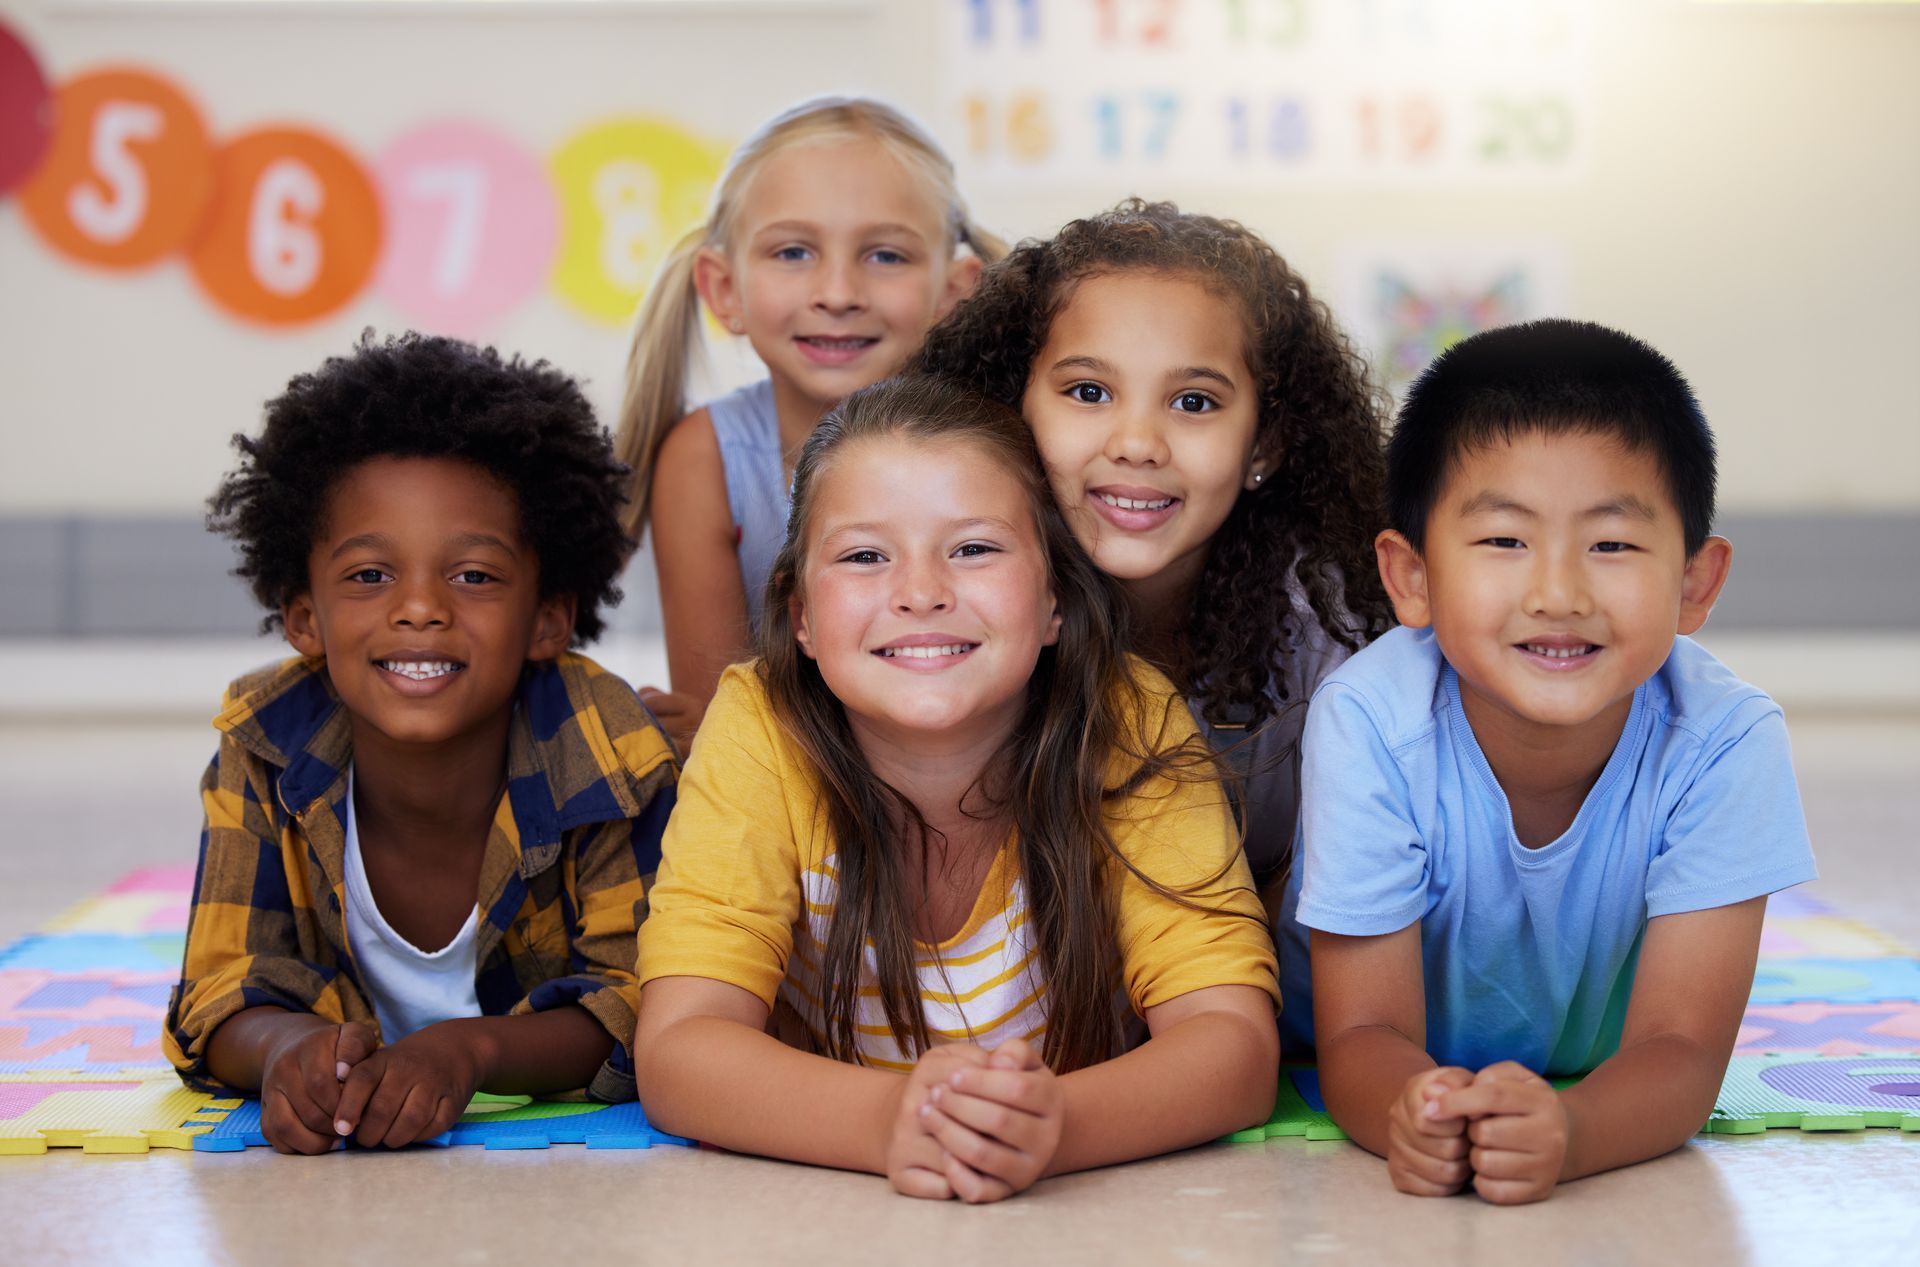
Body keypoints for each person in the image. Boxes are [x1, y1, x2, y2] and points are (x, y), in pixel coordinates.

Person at [632, 375, 1280, 1202]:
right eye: (866, 555)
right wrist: (890, 1120)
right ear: (801, 618)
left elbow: (1232, 1041)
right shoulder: (761, 725)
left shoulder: (1130, 719)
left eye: (973, 548)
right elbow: (683, 1046)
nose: (921, 591)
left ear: (1053, 599)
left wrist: (1058, 1127)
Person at [1297, 319, 1816, 1203]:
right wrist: (1408, 1111)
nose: (1558, 594)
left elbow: (1683, 1050)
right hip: (1367, 1050)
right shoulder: (1369, 722)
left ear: (1695, 583)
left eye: (1611, 544)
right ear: (1411, 576)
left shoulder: (1728, 740)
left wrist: (1570, 1133)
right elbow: (1362, 1036)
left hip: (1597, 1074)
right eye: (1505, 540)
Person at [165, 332, 678, 1154]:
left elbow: (639, 1000)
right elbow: (218, 987)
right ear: (304, 617)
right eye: (370, 575)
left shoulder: (609, 754)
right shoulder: (261, 745)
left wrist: (467, 1052)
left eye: (472, 575)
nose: (420, 608)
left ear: (549, 615)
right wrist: (283, 1052)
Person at [909, 199, 1393, 948]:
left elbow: (1353, 884)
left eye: (1193, 401)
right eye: (1088, 392)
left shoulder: (1333, 628)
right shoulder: (937, 607)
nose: (1137, 442)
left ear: (1264, 443)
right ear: (1013, 408)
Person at [615, 97, 1003, 749]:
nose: (838, 291)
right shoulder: (704, 461)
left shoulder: (1002, 454)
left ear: (955, 292)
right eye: (793, 252)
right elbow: (724, 739)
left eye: (885, 256)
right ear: (724, 290)